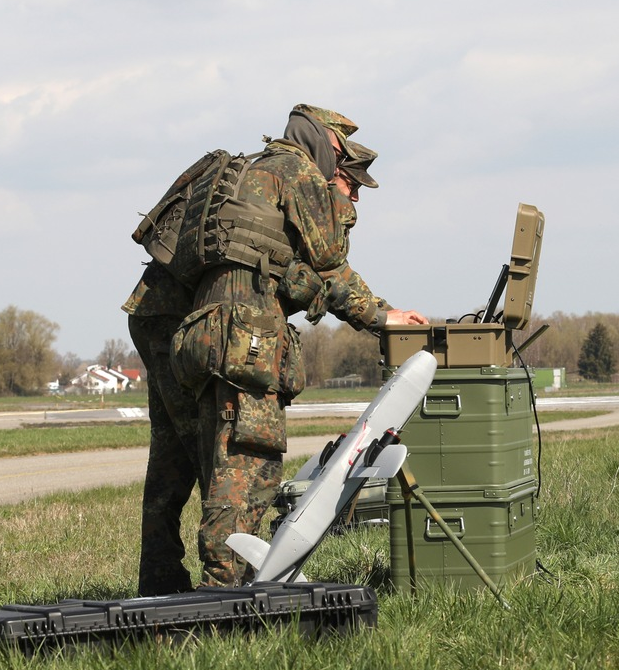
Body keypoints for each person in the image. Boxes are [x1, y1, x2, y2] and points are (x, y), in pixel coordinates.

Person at [125, 104, 426, 595]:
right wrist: (382, 316)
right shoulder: (298, 171)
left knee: (179, 460)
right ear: (332, 153)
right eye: (351, 185)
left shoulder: (251, 175)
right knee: (244, 462)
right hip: (239, 332)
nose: (351, 199)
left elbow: (292, 274)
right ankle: (226, 594)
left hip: (174, 327)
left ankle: (160, 582)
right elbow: (329, 265)